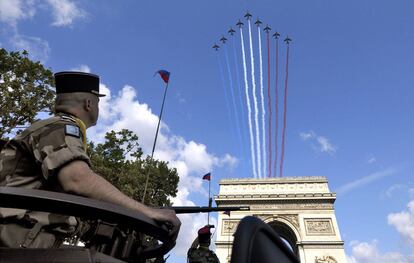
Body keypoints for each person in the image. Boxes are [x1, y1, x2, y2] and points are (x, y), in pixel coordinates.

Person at [0, 71, 181, 248]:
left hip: (23, 233)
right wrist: (147, 212)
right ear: (89, 104)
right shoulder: (60, 127)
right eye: (98, 103)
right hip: (14, 233)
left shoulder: (54, 127)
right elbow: (77, 180)